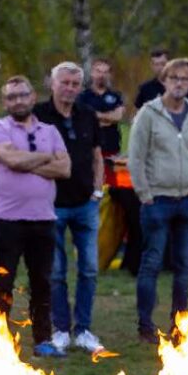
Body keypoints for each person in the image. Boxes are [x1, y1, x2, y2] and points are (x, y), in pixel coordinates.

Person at [129, 58, 188, 343]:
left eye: (185, 79)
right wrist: (144, 194)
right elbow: (136, 158)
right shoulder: (149, 114)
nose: (179, 83)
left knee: (184, 267)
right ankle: (145, 326)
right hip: (157, 201)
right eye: (174, 77)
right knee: (151, 263)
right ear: (164, 80)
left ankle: (179, 324)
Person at [0, 75, 71, 357]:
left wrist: (27, 162)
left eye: (22, 95)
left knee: (42, 282)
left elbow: (65, 169)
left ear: (33, 97)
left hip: (44, 220)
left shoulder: (50, 130)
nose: (18, 101)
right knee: (3, 281)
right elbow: (12, 160)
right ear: (5, 102)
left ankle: (43, 340)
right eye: (11, 97)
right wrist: (47, 157)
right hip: (7, 220)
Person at [34, 62, 105, 354]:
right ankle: (61, 329)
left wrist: (98, 190)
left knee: (89, 269)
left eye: (76, 84)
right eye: (65, 83)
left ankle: (84, 330)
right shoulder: (39, 115)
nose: (70, 89)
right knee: (57, 271)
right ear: (52, 83)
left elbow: (97, 155)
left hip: (86, 204)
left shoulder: (87, 114)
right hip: (52, 205)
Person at [79, 58, 141, 274]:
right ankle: (89, 246)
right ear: (92, 73)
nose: (101, 75)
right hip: (89, 155)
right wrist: (104, 117)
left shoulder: (116, 96)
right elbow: (84, 117)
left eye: (105, 71)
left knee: (117, 201)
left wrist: (99, 117)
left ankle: (118, 244)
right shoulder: (83, 96)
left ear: (109, 75)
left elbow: (117, 117)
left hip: (113, 157)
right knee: (91, 198)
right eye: (98, 71)